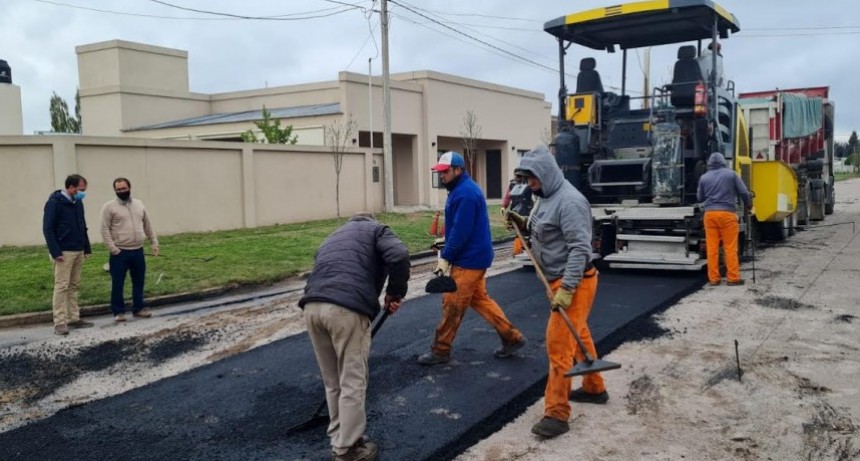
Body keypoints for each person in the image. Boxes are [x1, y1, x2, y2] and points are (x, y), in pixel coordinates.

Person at [506, 146, 607, 439]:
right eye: (526, 179)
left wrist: (567, 287)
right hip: (556, 279)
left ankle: (557, 414)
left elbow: (579, 249)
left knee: (558, 345)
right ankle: (594, 387)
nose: (530, 185)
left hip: (574, 281)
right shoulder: (544, 197)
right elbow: (544, 229)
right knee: (580, 335)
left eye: (533, 179)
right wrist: (523, 224)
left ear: (547, 174)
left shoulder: (571, 202)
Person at [299, 212, 410, 461]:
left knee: (333, 381)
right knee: (352, 380)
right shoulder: (377, 230)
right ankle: (349, 450)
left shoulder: (334, 236)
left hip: (312, 307)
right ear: (370, 220)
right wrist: (395, 292)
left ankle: (339, 438)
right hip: (345, 310)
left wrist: (385, 294)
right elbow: (399, 255)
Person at [418, 151, 528, 366]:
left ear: (458, 170)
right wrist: (445, 240)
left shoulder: (465, 194)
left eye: (446, 172)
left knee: (452, 303)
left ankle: (441, 350)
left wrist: (446, 256)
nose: (442, 176)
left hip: (469, 260)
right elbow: (458, 228)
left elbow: (461, 231)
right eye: (440, 173)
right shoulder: (460, 190)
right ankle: (512, 338)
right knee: (480, 300)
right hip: (474, 255)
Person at [100, 178, 159, 322]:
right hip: (120, 252)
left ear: (129, 187)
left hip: (138, 250)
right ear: (115, 190)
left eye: (124, 188)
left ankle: (138, 308)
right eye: (118, 189)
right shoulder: (109, 207)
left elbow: (147, 225)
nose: (121, 191)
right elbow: (104, 229)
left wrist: (154, 242)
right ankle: (118, 312)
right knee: (118, 283)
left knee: (139, 281)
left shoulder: (139, 204)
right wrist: (113, 249)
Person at [43, 174, 94, 335]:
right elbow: (48, 229)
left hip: (78, 249)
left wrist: (86, 247)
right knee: (62, 286)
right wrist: (55, 251)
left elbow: (82, 225)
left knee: (74, 285)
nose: (82, 193)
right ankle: (59, 322)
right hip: (63, 251)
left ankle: (74, 317)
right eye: (80, 190)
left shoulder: (78, 202)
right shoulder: (55, 203)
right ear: (71, 187)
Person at [697, 152, 752, 286]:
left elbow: (700, 198)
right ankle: (733, 278)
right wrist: (749, 205)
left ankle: (714, 279)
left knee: (712, 248)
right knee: (730, 247)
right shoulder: (731, 174)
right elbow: (744, 192)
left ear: (709, 163)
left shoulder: (704, 177)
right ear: (723, 162)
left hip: (710, 215)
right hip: (727, 214)